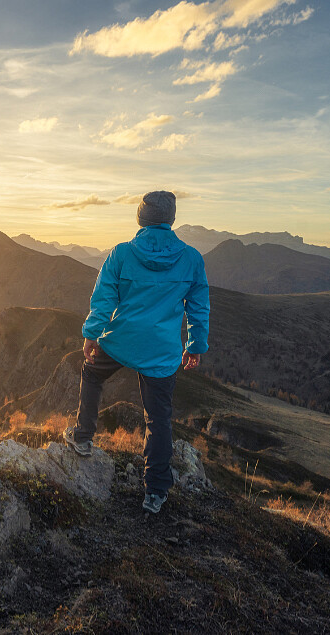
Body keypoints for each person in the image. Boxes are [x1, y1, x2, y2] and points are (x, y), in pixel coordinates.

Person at [63, 190, 210, 515]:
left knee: (91, 373)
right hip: (161, 352)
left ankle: (83, 436)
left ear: (140, 219)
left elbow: (104, 300)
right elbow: (199, 309)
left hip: (120, 340)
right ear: (171, 219)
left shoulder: (121, 254)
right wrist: (195, 346)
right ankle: (155, 493)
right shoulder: (191, 258)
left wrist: (91, 334)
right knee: (158, 419)